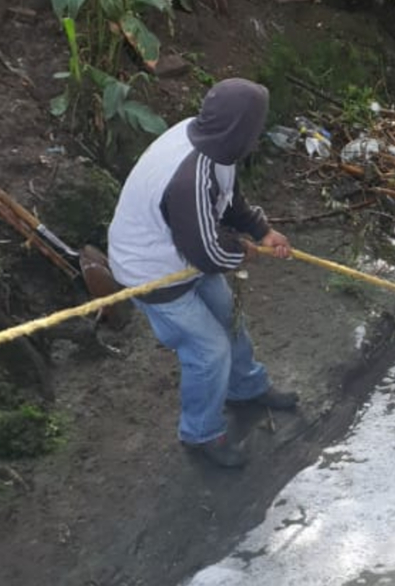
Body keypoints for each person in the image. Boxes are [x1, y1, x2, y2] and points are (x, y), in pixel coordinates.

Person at [108, 78, 296, 469]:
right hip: (151, 270)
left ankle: (245, 388)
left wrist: (262, 231)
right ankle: (201, 433)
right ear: (240, 131)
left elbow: (227, 200)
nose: (257, 136)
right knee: (209, 351)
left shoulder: (213, 143)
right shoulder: (189, 175)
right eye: (255, 129)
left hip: (184, 254)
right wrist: (241, 253)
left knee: (230, 318)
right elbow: (208, 252)